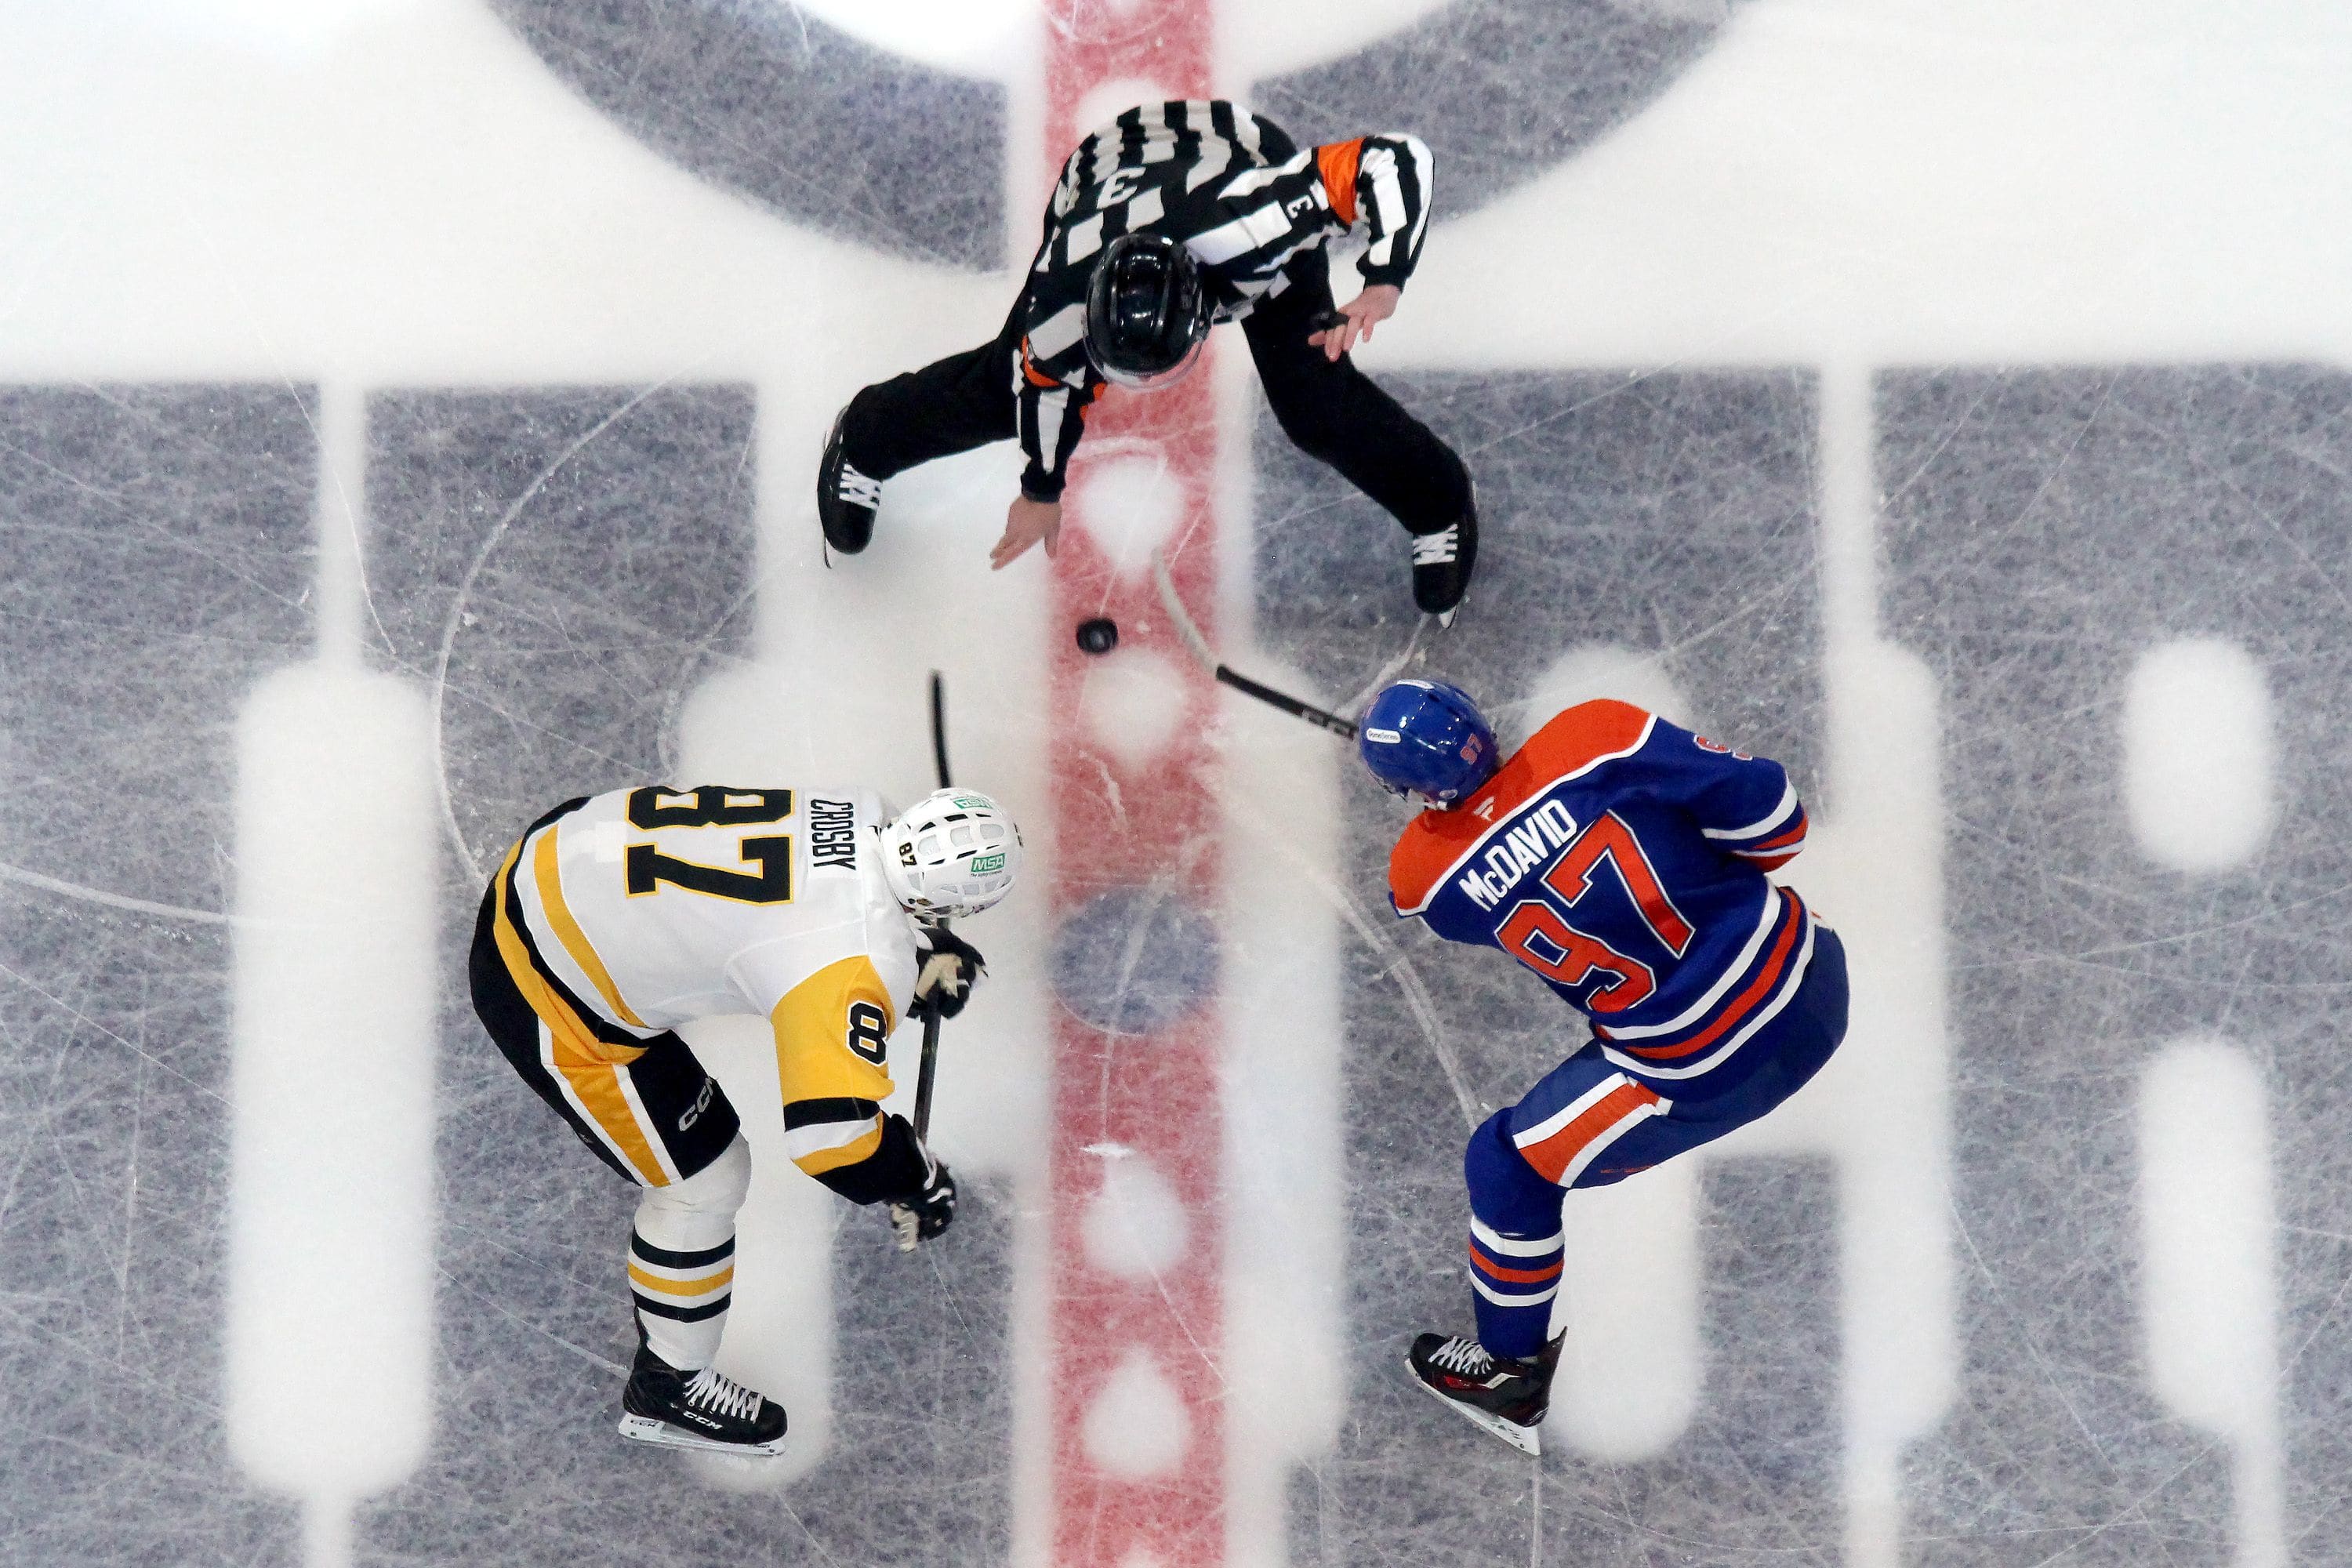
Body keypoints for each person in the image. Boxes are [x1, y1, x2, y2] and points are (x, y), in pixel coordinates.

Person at [1361, 681, 1847, 1454]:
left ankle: (1508, 1370)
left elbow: (1425, 886)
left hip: (1697, 1074)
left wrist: (1465, 818)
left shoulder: (1428, 876)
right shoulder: (1595, 736)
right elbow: (1776, 823)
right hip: (1816, 988)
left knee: (1506, 1166)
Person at [469, 782, 1019, 1455]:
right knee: (705, 1180)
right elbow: (832, 1142)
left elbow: (810, 915)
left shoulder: (854, 805)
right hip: (542, 985)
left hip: (555, 849)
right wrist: (912, 1175)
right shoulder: (857, 959)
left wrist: (908, 968)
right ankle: (667, 1388)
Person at [817, 99, 1478, 624]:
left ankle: (1440, 505)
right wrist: (1040, 487)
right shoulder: (1059, 308)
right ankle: (866, 436)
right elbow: (1045, 387)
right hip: (1101, 173)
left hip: (1233, 156)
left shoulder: (1254, 229)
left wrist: (1384, 278)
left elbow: (1391, 161)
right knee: (1002, 385)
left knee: (1317, 404)